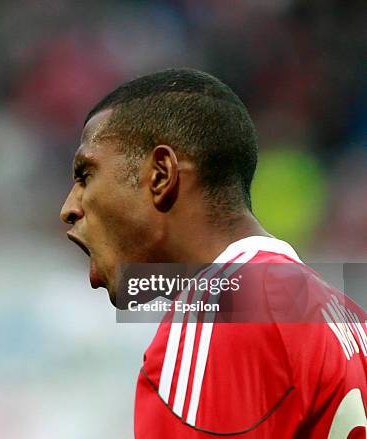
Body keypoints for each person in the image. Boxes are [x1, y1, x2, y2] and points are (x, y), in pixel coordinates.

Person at [60, 68, 367, 438]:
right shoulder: (346, 318)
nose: (69, 208)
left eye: (85, 175)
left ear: (160, 174)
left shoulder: (220, 311)